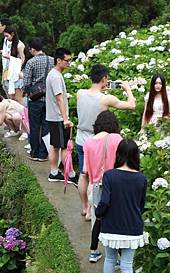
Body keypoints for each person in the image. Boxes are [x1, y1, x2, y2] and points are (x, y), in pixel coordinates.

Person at [76, 64, 136, 219]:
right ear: (104, 79)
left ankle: (85, 207)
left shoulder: (80, 93)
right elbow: (131, 105)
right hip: (98, 140)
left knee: (84, 175)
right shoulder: (106, 99)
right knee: (99, 176)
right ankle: (95, 207)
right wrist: (128, 89)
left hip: (81, 138)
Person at [95, 139, 147, 273]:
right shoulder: (141, 178)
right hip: (133, 227)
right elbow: (141, 205)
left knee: (110, 259)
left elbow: (105, 201)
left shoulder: (110, 175)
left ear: (118, 154)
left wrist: (99, 213)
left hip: (111, 225)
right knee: (127, 265)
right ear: (135, 156)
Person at [82, 112, 123, 262]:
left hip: (95, 187)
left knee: (96, 219)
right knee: (115, 222)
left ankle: (94, 252)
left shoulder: (88, 143)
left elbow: (85, 170)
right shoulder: (116, 139)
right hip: (114, 187)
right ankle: (117, 257)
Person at [45, 47, 77, 183]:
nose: (69, 63)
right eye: (67, 60)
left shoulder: (54, 74)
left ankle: (54, 171)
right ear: (58, 60)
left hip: (54, 116)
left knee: (56, 145)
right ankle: (70, 174)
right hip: (58, 117)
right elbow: (59, 99)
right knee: (63, 147)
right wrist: (65, 119)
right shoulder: (56, 77)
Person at [23, 38, 53, 162]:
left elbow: (26, 83)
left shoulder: (31, 62)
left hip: (35, 99)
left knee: (34, 126)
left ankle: (34, 152)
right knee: (46, 126)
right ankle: (44, 154)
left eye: (30, 49)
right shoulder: (52, 60)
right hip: (49, 99)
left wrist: (29, 92)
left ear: (33, 49)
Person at [1, 27, 26, 103]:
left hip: (18, 73)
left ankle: (22, 114)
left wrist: (10, 58)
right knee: (12, 98)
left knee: (18, 99)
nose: (6, 38)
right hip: (10, 72)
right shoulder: (10, 44)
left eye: (7, 36)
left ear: (12, 34)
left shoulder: (19, 45)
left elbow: (23, 60)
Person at [0, 16, 13, 95]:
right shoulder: (5, 38)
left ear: (4, 26)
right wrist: (0, 51)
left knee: (10, 91)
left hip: (10, 70)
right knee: (5, 86)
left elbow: (11, 54)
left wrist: (1, 53)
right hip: (6, 69)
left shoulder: (11, 39)